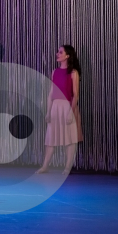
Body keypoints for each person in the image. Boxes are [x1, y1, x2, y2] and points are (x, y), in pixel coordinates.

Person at [36, 45, 83, 175]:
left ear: (67, 56)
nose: (57, 54)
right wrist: (48, 111)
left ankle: (67, 167)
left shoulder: (73, 72)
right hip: (55, 107)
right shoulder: (55, 71)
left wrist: (70, 112)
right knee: (50, 138)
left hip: (67, 106)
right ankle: (45, 165)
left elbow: (75, 94)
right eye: (58, 52)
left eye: (60, 52)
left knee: (70, 138)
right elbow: (51, 93)